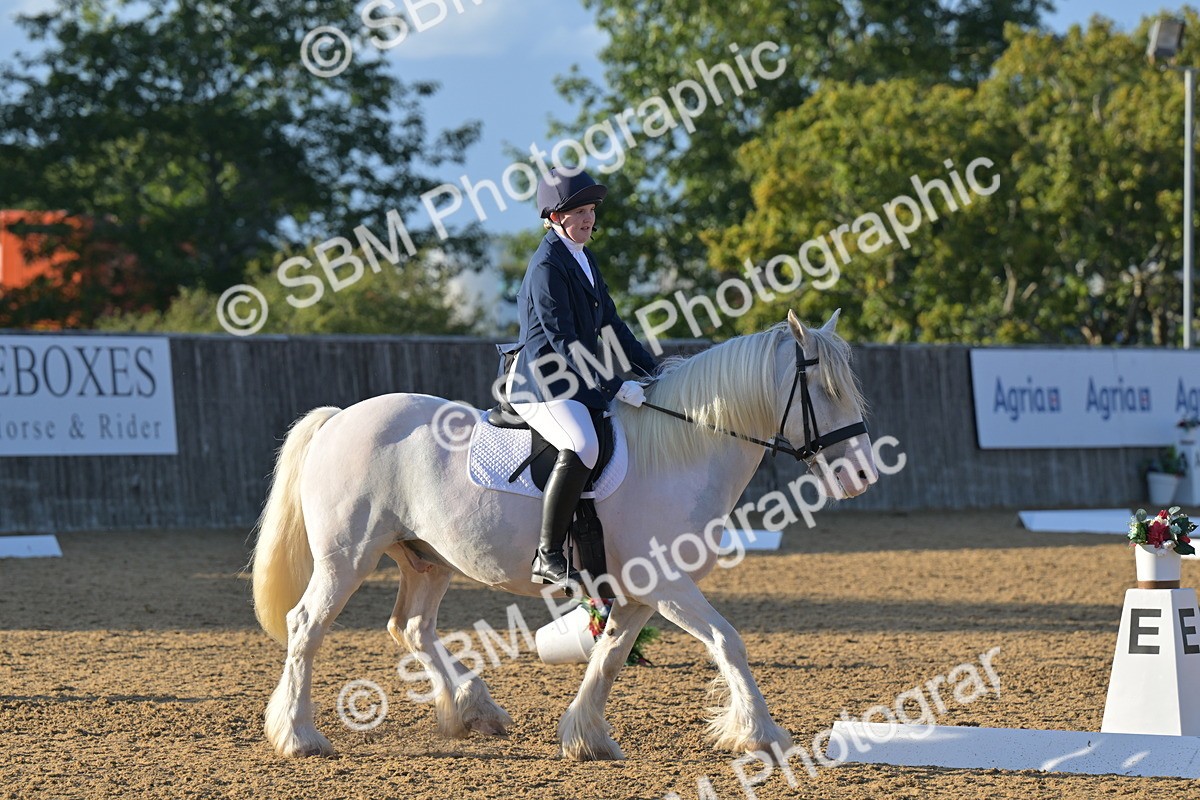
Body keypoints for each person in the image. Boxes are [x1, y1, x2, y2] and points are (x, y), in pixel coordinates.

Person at [505, 168, 658, 592]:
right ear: (555, 217)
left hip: (574, 376)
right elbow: (565, 341)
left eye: (591, 210)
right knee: (583, 444)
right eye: (579, 212)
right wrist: (614, 386)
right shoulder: (546, 267)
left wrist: (652, 371)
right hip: (542, 378)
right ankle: (547, 554)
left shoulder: (583, 257)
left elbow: (612, 323)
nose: (589, 219)